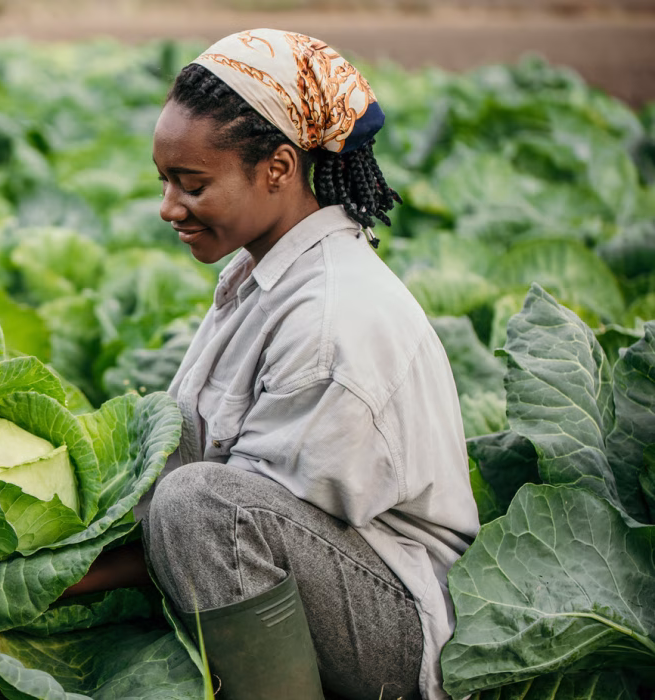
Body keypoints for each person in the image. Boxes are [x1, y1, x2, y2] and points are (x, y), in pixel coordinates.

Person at [60, 29, 480, 700]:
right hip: (319, 579)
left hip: (400, 633)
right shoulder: (262, 274)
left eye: (191, 184)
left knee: (200, 507)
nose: (169, 207)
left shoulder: (331, 318)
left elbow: (238, 533)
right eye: (165, 181)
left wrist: (59, 580)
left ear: (279, 169)